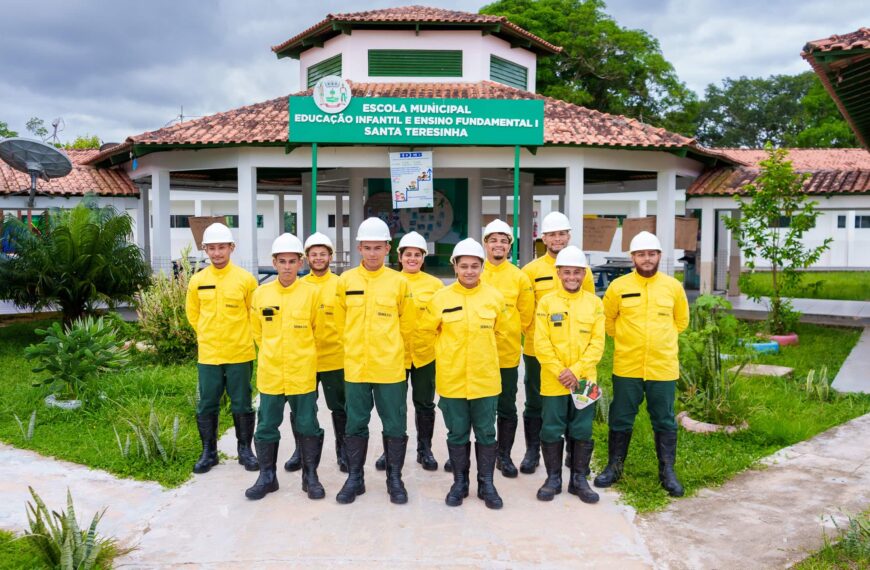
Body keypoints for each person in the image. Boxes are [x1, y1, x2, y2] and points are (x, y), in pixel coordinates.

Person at [595, 231, 689, 497]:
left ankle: (667, 472)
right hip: (628, 365)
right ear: (632, 257)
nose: (646, 259)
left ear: (659, 256)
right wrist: (627, 339)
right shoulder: (619, 287)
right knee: (621, 416)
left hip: (662, 367)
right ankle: (614, 467)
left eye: (651, 254)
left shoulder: (673, 287)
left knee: (664, 418)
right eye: (641, 254)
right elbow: (608, 320)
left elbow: (681, 321)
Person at [420, 238, 507, 509]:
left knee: (486, 434)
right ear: (454, 267)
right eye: (464, 266)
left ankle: (486, 483)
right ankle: (460, 483)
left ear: (482, 267)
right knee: (457, 434)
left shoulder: (494, 298)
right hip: (453, 380)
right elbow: (425, 333)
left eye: (474, 266)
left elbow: (503, 334)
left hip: (485, 380)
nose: (469, 271)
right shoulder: (441, 299)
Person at [334, 217, 415, 505]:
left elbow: (408, 323)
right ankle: (355, 477)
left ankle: (395, 478)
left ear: (388, 248)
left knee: (394, 425)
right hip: (356, 366)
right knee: (355, 423)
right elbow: (338, 321)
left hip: (390, 368)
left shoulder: (399, 282)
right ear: (358, 248)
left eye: (377, 247)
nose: (372, 253)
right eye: (367, 247)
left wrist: (396, 353)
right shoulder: (345, 281)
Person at [245, 233, 325, 500]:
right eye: (282, 261)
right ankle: (267, 477)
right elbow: (258, 333)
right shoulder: (261, 294)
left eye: (292, 261)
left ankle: (310, 476)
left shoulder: (311, 294)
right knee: (266, 425)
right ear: (274, 262)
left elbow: (318, 332)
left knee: (308, 425)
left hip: (302, 373)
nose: (288, 266)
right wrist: (273, 353)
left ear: (301, 263)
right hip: (271, 373)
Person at [520, 212, 595, 474]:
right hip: (538, 350)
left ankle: (574, 459)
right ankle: (532, 452)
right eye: (552, 234)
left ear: (569, 235)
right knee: (536, 402)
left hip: (581, 358)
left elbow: (591, 311)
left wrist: (577, 366)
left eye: (562, 233)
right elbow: (527, 312)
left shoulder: (583, 268)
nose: (557, 238)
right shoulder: (530, 271)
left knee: (580, 404)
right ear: (544, 238)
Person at [185, 222, 259, 475]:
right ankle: (209, 452)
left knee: (242, 403)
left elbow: (254, 315)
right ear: (205, 249)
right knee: (207, 403)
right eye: (212, 248)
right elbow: (193, 315)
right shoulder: (198, 281)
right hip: (209, 355)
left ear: (231, 248)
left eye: (222, 247)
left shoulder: (245, 280)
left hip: (239, 353)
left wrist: (244, 338)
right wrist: (208, 335)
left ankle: (245, 450)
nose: (217, 253)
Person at [534, 246, 605, 504]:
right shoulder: (547, 302)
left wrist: (575, 371)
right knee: (552, 428)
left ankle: (579, 479)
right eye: (567, 272)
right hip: (553, 381)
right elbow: (541, 343)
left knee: (582, 428)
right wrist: (559, 371)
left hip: (585, 380)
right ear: (559, 273)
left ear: (584, 274)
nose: (572, 277)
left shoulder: (595, 304)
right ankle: (553, 478)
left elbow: (597, 344)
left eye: (577, 272)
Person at [374, 231, 444, 472]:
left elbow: (442, 321)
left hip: (425, 354)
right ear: (399, 257)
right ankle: (389, 450)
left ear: (423, 258)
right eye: (408, 255)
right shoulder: (389, 281)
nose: (412, 259)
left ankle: (425, 449)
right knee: (394, 406)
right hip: (395, 355)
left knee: (425, 404)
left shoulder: (435, 286)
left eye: (417, 255)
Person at [283, 232, 348, 474]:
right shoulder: (299, 286)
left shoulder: (341, 284)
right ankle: (300, 451)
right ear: (306, 258)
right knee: (301, 408)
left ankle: (343, 452)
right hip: (304, 360)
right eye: (313, 254)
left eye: (323, 254)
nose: (318, 258)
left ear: (330, 256)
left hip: (334, 358)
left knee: (340, 408)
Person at [479, 219, 534, 478]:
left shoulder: (519, 278)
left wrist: (507, 331)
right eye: (493, 240)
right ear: (485, 244)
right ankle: (482, 453)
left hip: (507, 355)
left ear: (509, 246)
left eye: (503, 240)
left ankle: (504, 455)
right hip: (477, 355)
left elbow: (526, 316)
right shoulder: (475, 272)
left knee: (506, 406)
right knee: (478, 407)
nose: (498, 245)